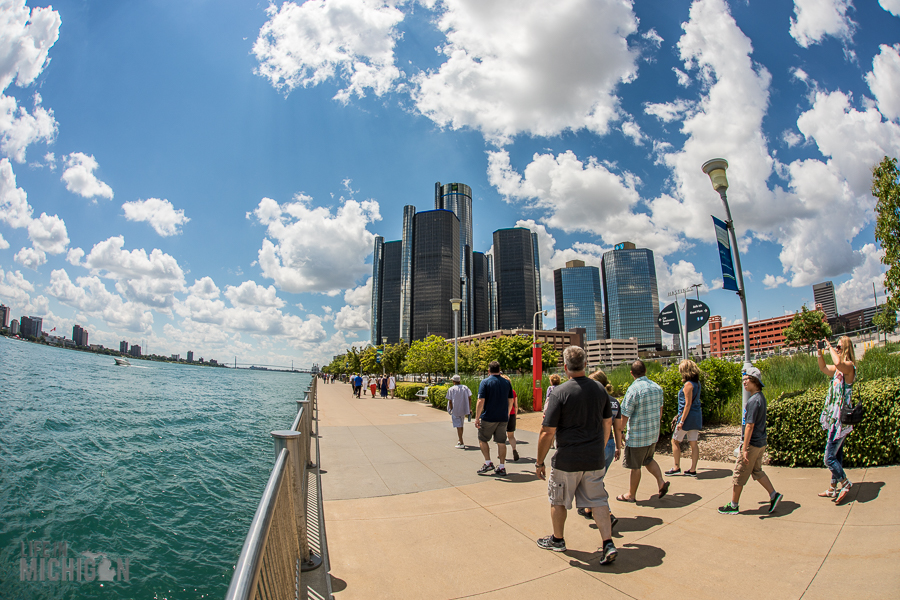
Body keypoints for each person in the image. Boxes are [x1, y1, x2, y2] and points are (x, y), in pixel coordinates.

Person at [535, 346, 617, 565]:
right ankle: (607, 542)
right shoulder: (600, 389)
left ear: (565, 367)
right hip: (594, 457)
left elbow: (547, 431)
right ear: (585, 364)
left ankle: (558, 539)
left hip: (567, 459)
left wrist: (539, 461)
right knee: (598, 500)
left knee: (558, 500)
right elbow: (607, 422)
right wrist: (600, 446)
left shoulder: (560, 392)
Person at [718, 367, 783, 515]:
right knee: (757, 471)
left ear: (755, 381)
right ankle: (774, 495)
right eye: (743, 380)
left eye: (746, 380)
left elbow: (749, 426)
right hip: (761, 442)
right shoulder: (761, 398)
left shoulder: (753, 401)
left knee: (739, 475)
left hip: (752, 444)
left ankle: (733, 505)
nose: (744, 383)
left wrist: (745, 448)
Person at [617, 360, 668, 502]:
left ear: (631, 373)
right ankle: (661, 482)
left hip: (638, 436)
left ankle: (631, 495)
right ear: (645, 371)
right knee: (648, 459)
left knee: (635, 466)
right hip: (652, 433)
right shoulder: (657, 387)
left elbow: (625, 414)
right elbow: (660, 410)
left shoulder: (633, 389)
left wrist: (620, 431)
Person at [579, 369, 623, 528]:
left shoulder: (593, 400)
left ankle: (608, 514)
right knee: (596, 479)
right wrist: (618, 447)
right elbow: (617, 428)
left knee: (594, 481)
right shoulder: (614, 402)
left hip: (596, 444)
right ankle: (589, 508)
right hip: (610, 445)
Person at [816, 336, 857, 504]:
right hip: (834, 418)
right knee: (837, 456)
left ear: (845, 348)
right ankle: (833, 488)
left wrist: (830, 346)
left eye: (839, 347)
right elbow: (825, 368)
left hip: (841, 420)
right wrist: (820, 353)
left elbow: (839, 363)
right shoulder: (839, 370)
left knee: (829, 458)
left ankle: (845, 483)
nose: (837, 350)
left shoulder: (849, 367)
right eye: (836, 348)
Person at [475, 361, 515, 476]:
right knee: (501, 442)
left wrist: (477, 417)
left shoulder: (485, 382)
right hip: (503, 417)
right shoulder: (507, 383)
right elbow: (511, 400)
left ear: (489, 371)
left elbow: (480, 401)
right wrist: (507, 413)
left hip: (489, 416)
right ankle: (502, 466)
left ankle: (488, 462)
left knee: (483, 439)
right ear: (499, 370)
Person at [667, 359, 703, 477]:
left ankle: (676, 466)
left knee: (675, 441)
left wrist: (681, 421)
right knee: (693, 443)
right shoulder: (697, 384)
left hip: (687, 417)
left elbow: (687, 404)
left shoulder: (688, 385)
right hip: (696, 415)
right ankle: (693, 469)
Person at [446, 375, 472, 448]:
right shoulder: (465, 388)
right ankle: (460, 439)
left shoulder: (451, 389)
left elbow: (450, 401)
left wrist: (451, 409)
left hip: (456, 410)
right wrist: (469, 408)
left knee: (458, 426)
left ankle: (461, 442)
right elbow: (470, 398)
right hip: (464, 409)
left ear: (453, 381)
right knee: (461, 425)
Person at [501, 374, 520, 461]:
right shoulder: (513, 392)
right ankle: (514, 449)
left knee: (501, 436)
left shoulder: (500, 391)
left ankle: (501, 453)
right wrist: (515, 415)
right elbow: (516, 406)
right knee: (511, 435)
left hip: (502, 415)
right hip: (511, 414)